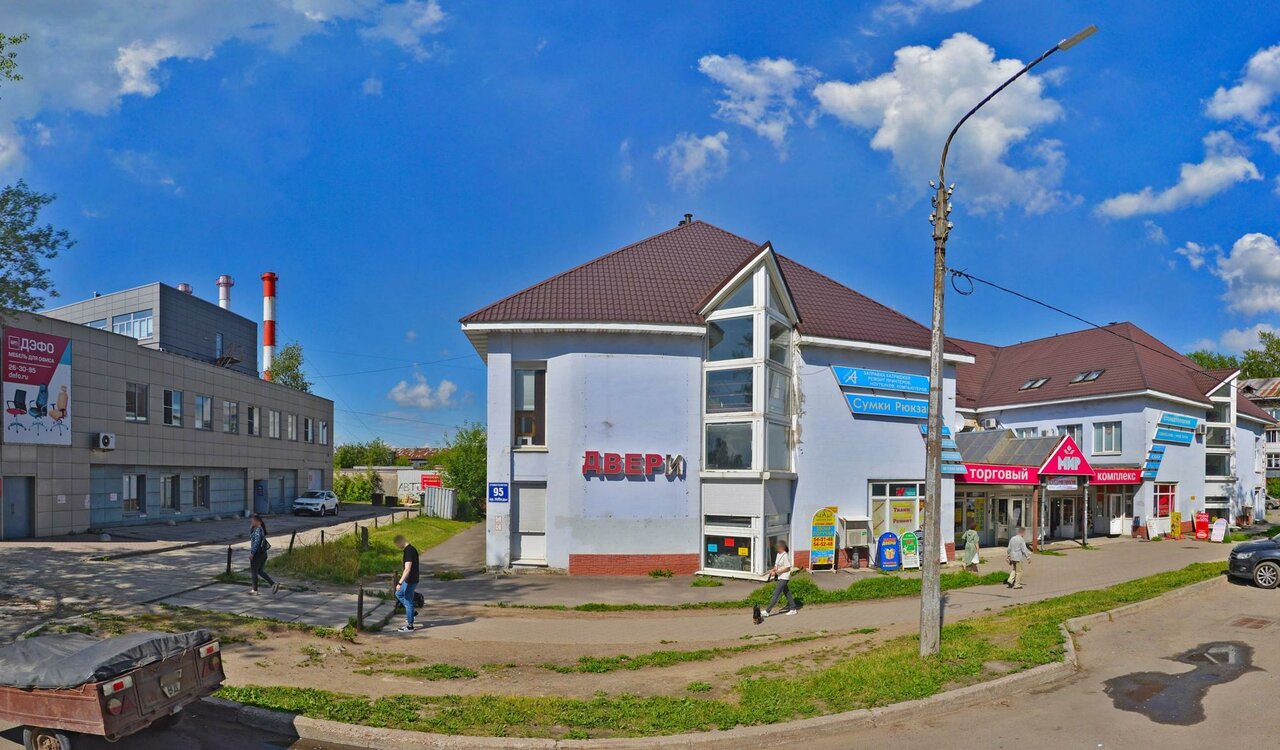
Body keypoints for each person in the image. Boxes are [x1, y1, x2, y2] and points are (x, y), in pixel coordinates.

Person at [760, 539, 797, 617]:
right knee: (787, 592)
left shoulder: (785, 555)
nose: (776, 548)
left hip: (784, 577)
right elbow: (776, 566)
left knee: (776, 593)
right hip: (780, 577)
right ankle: (793, 608)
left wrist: (776, 572)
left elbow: (788, 568)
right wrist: (772, 570)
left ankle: (767, 611)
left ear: (781, 547)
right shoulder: (778, 554)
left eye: (777, 547)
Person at [393, 534, 420, 632]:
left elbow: (407, 569)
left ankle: (410, 626)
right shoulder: (411, 549)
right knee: (398, 593)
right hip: (411, 579)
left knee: (408, 601)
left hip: (410, 580)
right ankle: (412, 612)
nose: (397, 546)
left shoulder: (408, 551)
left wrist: (400, 583)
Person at [248, 514, 279, 595]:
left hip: (257, 554)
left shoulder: (258, 530)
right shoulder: (260, 529)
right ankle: (273, 584)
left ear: (258, 521)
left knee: (254, 572)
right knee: (260, 571)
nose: (251, 522)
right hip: (263, 554)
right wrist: (251, 529)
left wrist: (252, 553)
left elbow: (256, 542)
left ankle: (254, 590)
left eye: (253, 521)